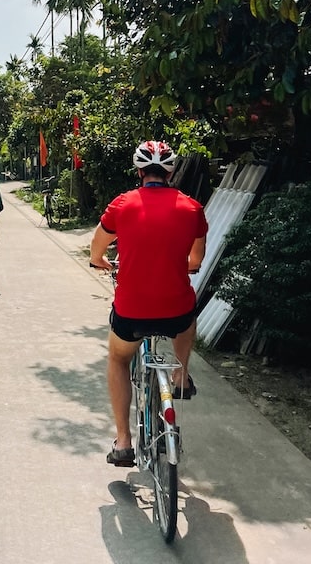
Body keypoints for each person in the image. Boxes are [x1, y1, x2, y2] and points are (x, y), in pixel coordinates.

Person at [90, 140, 207, 467]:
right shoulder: (192, 208)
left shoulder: (122, 205)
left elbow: (96, 250)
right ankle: (182, 377)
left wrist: (101, 262)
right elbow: (196, 259)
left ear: (140, 171)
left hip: (132, 312)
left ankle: (124, 443)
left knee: (117, 359)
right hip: (175, 312)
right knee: (188, 310)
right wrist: (181, 266)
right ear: (170, 171)